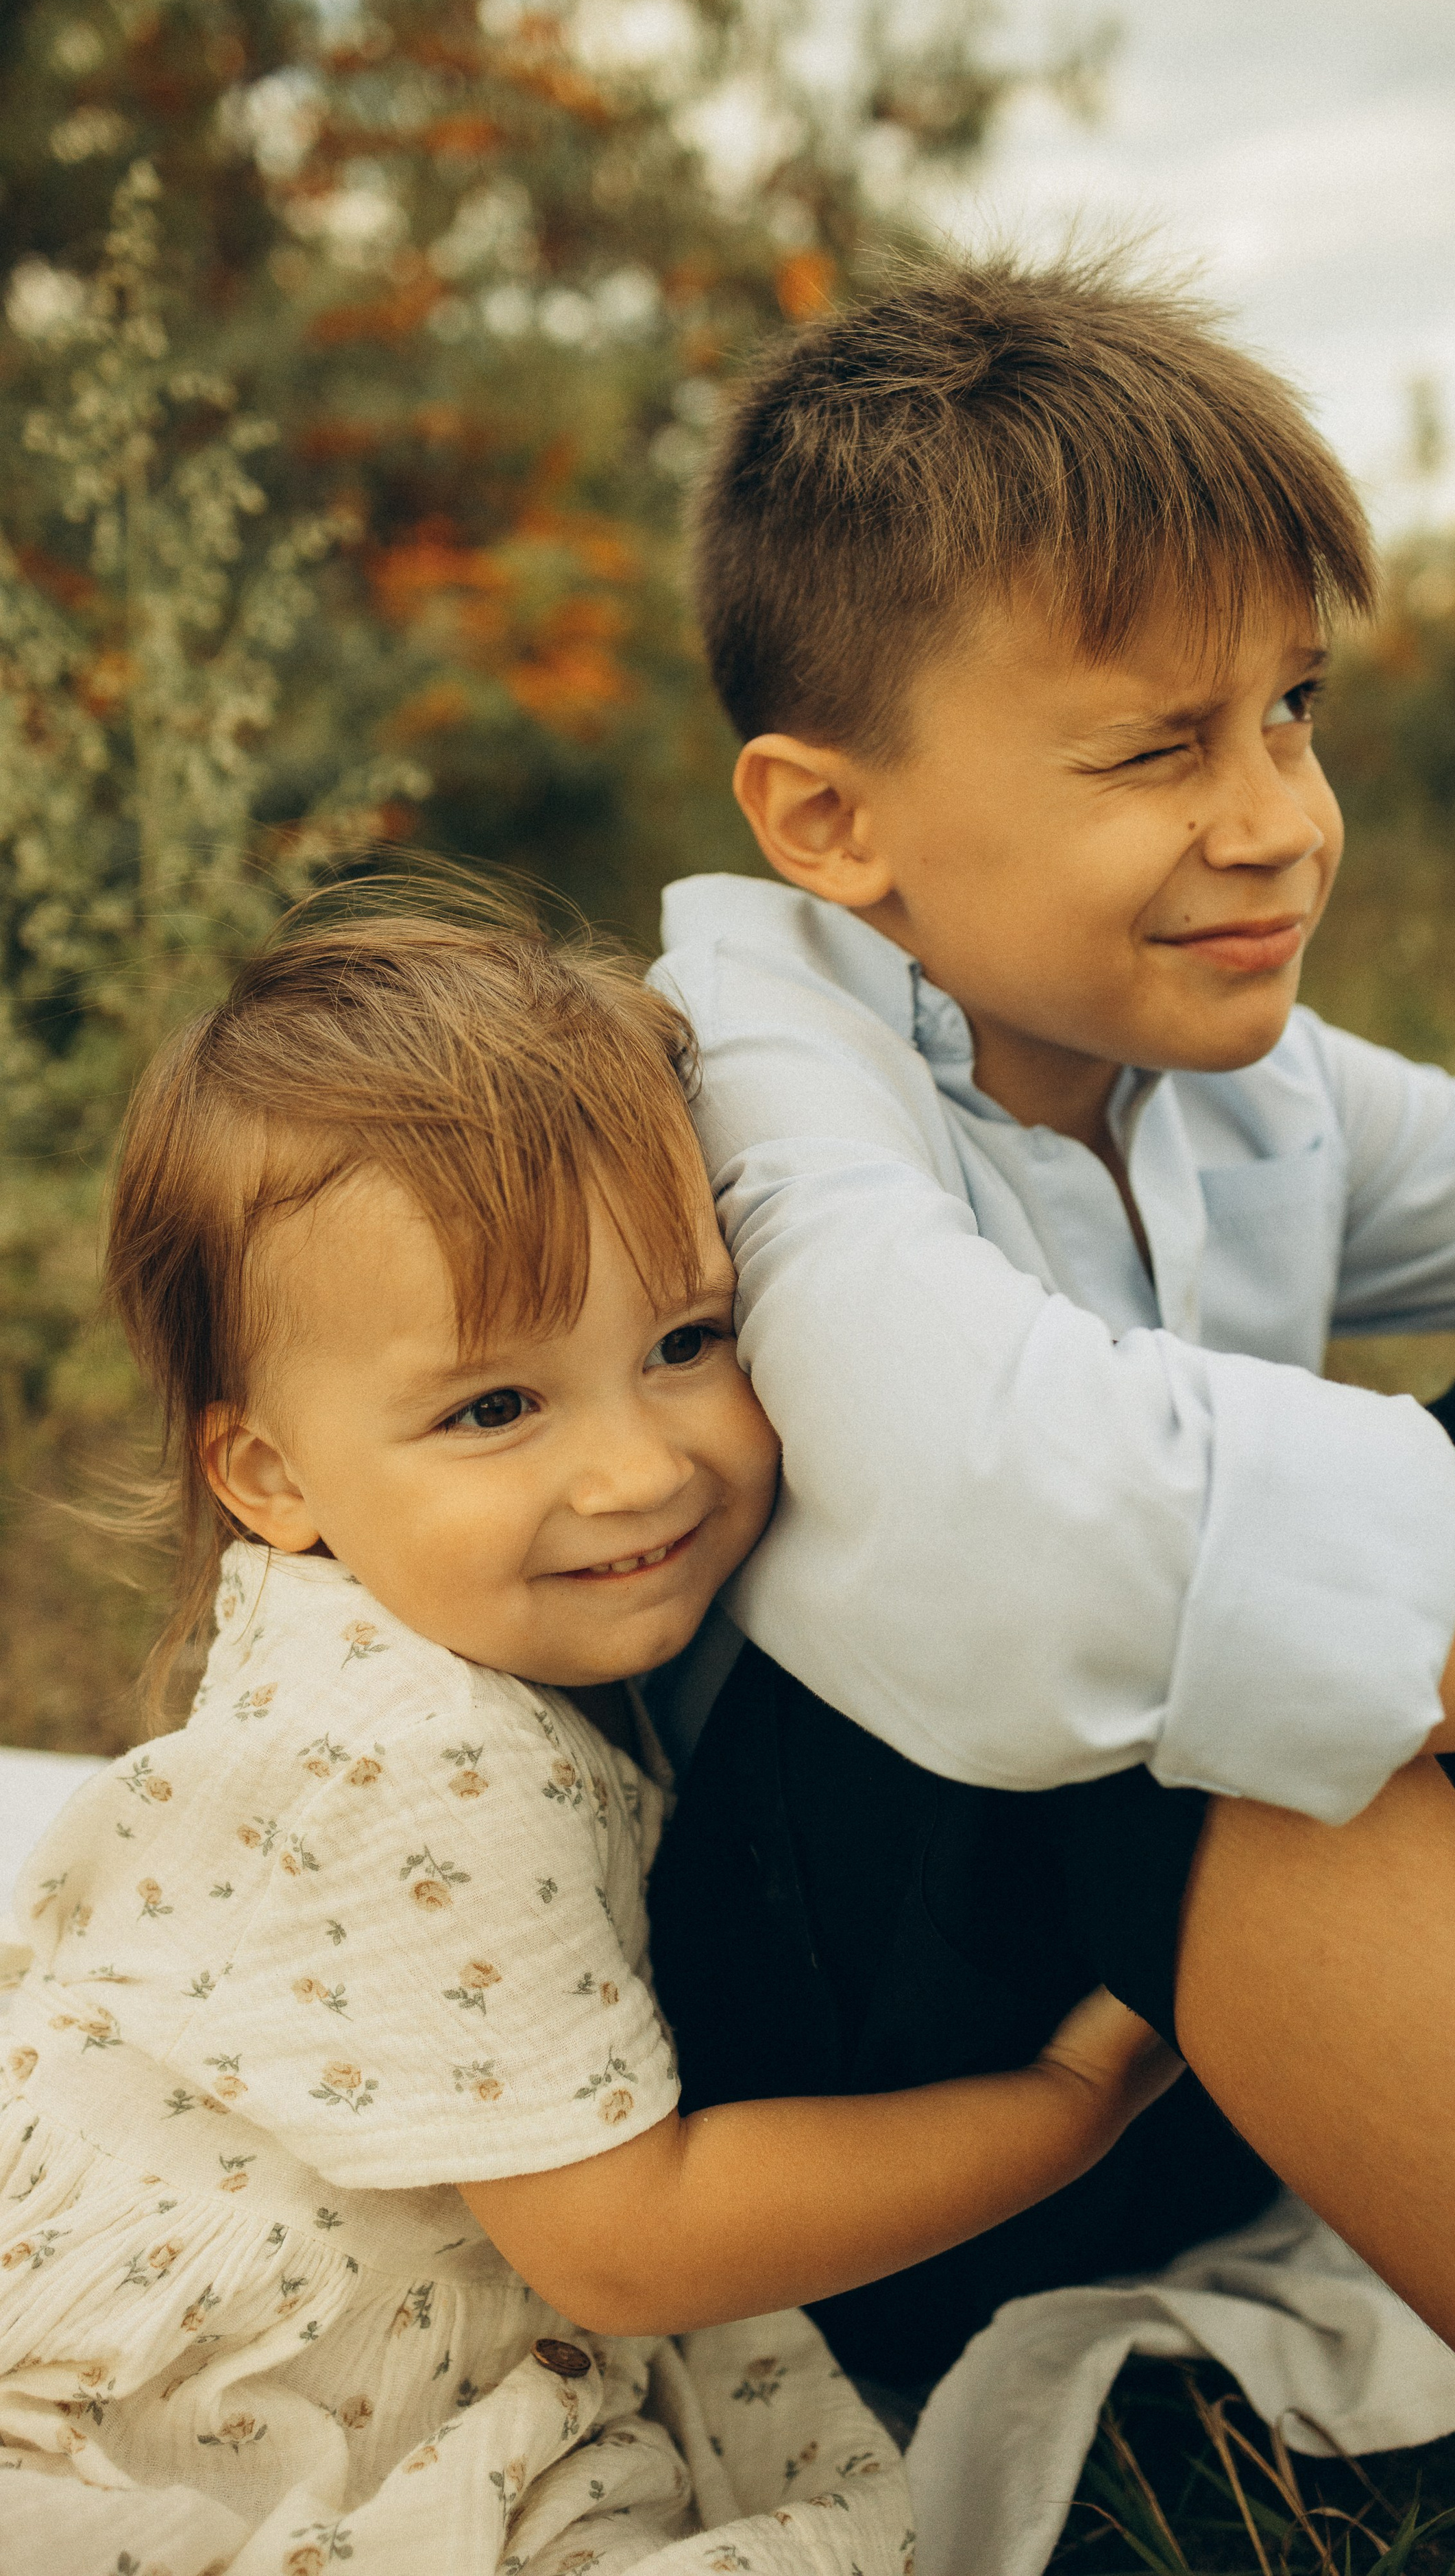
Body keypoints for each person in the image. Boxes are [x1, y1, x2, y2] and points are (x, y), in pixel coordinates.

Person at [645, 255, 1455, 2574]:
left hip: (1209, 2016)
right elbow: (1043, 1533)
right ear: (830, 824)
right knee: (1200, 1683)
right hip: (866, 2078)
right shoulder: (746, 1094)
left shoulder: (1232, 1066)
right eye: (1158, 749)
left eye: (1295, 713)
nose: (1274, 819)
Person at [0, 894, 1180, 2576]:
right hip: (189, 2375)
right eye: (494, 1407)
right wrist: (1062, 2105)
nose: (638, 1471)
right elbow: (625, 2248)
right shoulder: (434, 1760)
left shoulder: (430, 1609)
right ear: (268, 1477)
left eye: (685, 1342)